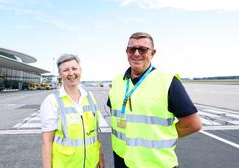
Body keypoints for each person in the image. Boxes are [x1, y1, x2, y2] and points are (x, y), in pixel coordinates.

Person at [107, 32, 202, 168]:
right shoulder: (117, 82)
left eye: (143, 49)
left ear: (152, 53)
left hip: (156, 163)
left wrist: (163, 136)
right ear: (126, 52)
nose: (137, 53)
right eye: (132, 49)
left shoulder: (168, 81)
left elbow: (193, 124)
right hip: (122, 159)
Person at [41, 54, 105, 168]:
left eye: (74, 68)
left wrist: (100, 156)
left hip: (91, 164)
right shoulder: (52, 101)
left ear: (80, 70)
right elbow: (47, 141)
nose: (71, 73)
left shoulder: (90, 98)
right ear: (60, 74)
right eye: (66, 70)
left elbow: (95, 133)